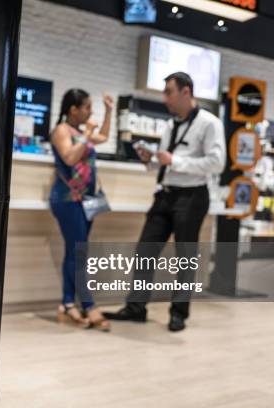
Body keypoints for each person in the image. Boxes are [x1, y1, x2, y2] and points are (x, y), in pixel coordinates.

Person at [103, 72, 226, 332]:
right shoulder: (170, 125)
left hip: (192, 196)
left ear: (186, 92)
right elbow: (165, 162)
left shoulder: (209, 123)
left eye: (169, 92)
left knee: (185, 256)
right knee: (145, 251)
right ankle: (136, 308)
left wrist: (175, 161)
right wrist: (151, 159)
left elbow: (217, 163)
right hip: (165, 194)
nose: (165, 98)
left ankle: (179, 313)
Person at [50, 89, 114, 331]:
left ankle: (67, 303)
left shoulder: (80, 132)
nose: (90, 111)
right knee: (79, 253)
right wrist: (87, 135)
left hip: (86, 199)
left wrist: (109, 111)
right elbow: (68, 157)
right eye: (87, 107)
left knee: (74, 251)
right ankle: (89, 305)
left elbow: (105, 136)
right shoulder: (62, 131)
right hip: (67, 199)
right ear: (73, 109)